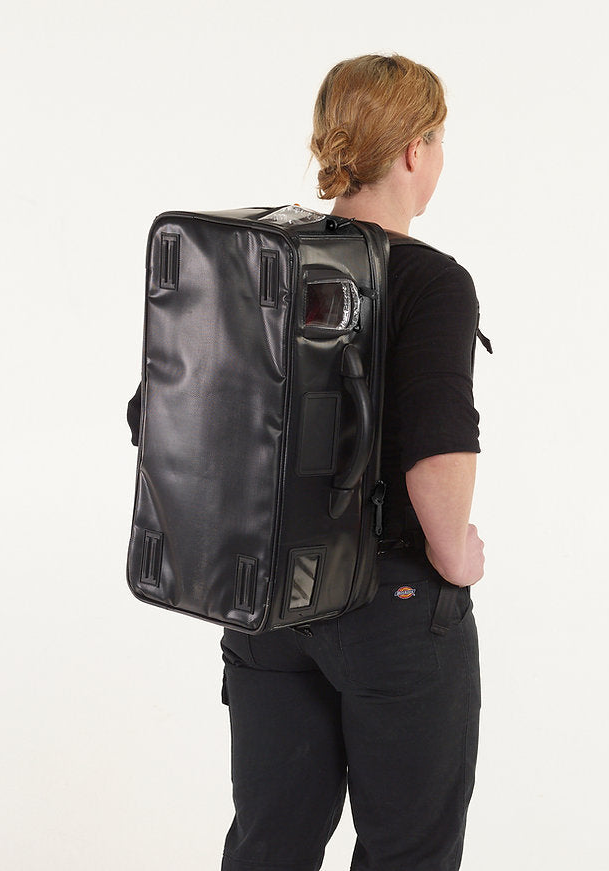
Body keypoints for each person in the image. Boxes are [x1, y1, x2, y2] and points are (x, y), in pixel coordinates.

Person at [216, 54, 486, 871]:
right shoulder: (429, 281)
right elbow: (435, 447)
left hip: (265, 599)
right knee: (407, 853)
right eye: (439, 143)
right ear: (413, 149)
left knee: (269, 845)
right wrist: (453, 554)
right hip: (389, 604)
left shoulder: (258, 260)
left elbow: (162, 410)